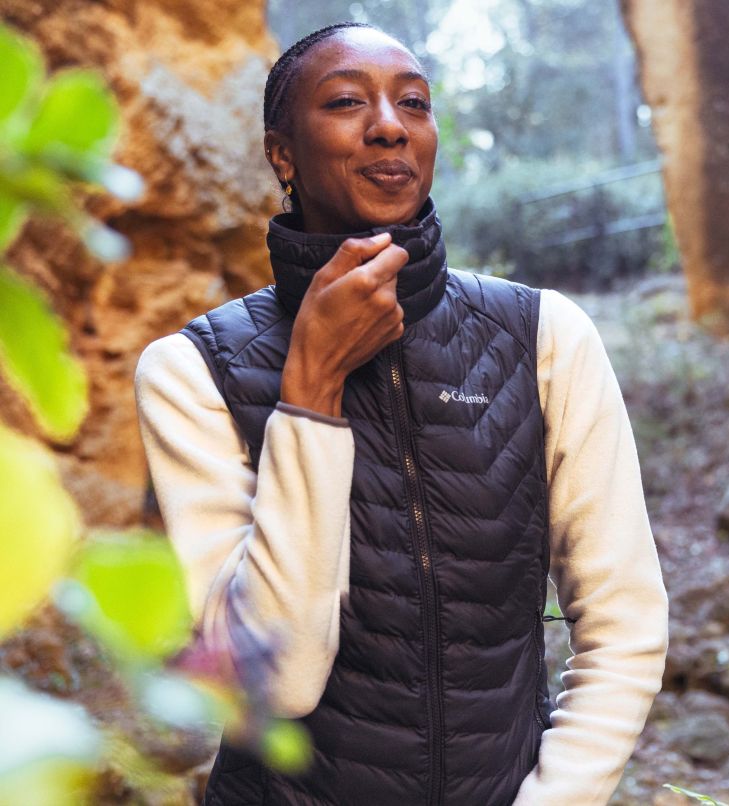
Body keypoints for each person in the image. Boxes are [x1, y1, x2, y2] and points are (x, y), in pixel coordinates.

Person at [134, 21, 668, 806]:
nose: (389, 123)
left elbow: (624, 625)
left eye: (414, 103)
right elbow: (270, 684)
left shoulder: (543, 336)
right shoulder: (192, 372)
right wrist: (309, 387)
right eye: (348, 100)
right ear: (282, 153)